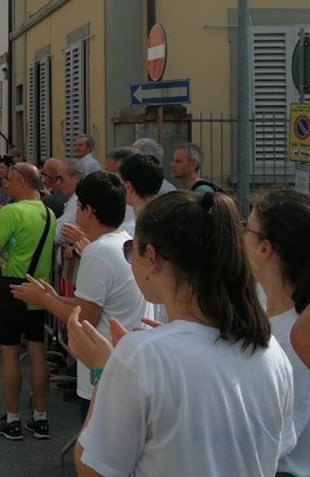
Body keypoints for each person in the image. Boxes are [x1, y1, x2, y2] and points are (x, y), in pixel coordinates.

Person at [68, 191, 295, 477]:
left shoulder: (141, 356)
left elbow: (92, 469)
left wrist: (103, 370)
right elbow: (271, 449)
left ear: (151, 256)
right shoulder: (270, 349)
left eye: (131, 250)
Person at [11, 171, 151, 419]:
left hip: (104, 372)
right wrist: (53, 296)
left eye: (77, 205)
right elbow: (95, 304)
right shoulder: (124, 242)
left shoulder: (98, 251)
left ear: (89, 210)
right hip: (123, 364)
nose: (75, 212)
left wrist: (43, 299)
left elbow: (84, 318)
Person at [0, 163, 55, 441]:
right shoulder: (48, 213)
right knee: (37, 351)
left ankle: (13, 419)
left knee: (9, 353)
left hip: (10, 288)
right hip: (38, 289)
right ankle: (40, 418)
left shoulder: (11, 212)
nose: (4, 184)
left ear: (21, 182)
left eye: (9, 180)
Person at [244, 189, 310, 476]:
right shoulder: (271, 317)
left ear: (265, 248)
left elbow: (276, 440)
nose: (241, 236)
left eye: (247, 229)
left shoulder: (296, 337)